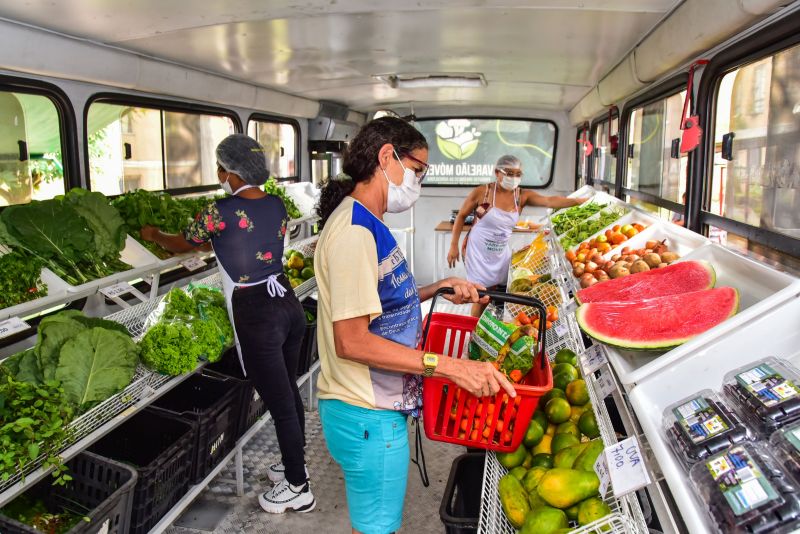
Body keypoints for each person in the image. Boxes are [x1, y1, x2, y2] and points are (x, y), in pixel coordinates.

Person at [314, 117, 515, 534]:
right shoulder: (354, 232)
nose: (418, 183)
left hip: (372, 407)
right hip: (366, 414)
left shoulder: (368, 220)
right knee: (377, 529)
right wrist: (450, 366)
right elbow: (351, 341)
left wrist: (437, 286)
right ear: (387, 157)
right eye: (418, 170)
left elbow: (379, 302)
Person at [140, 134, 314, 515]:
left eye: (220, 168)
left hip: (257, 313)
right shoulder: (276, 204)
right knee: (289, 392)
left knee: (280, 402)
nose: (218, 174)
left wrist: (154, 235)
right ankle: (291, 463)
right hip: (286, 302)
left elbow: (185, 243)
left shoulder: (219, 211)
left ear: (232, 173)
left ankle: (298, 487)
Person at [447, 155, 586, 315]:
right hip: (478, 250)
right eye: (509, 173)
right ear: (497, 172)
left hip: (499, 251)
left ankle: (489, 321)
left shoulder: (521, 196)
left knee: (495, 289)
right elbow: (461, 216)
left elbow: (549, 201)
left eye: (517, 174)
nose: (513, 178)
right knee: (480, 293)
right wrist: (453, 246)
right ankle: (472, 329)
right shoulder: (483, 193)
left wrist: (578, 201)